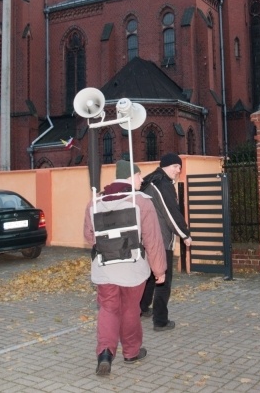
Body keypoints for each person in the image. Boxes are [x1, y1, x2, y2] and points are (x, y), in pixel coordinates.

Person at [83, 159, 166, 376]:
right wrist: (159, 270)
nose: (141, 180)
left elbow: (88, 236)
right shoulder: (142, 202)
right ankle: (131, 352)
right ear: (130, 176)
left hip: (105, 267)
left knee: (108, 308)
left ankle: (104, 353)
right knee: (130, 309)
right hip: (133, 268)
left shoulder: (94, 202)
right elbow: (153, 239)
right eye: (139, 176)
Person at [138, 153, 192, 331]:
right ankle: (160, 321)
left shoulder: (150, 181)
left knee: (151, 277)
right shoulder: (162, 184)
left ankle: (141, 308)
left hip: (146, 238)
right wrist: (184, 234)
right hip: (160, 239)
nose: (178, 171)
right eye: (177, 167)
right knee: (163, 280)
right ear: (168, 166)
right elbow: (171, 213)